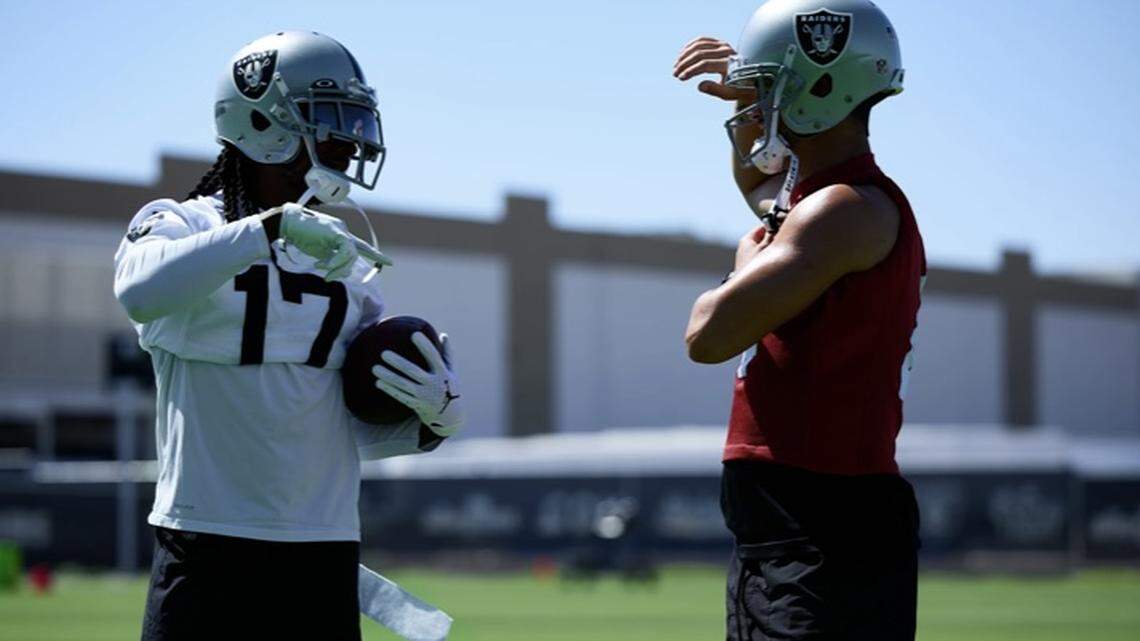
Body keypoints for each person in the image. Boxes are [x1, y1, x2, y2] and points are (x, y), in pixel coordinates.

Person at [113, 31, 465, 641]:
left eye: (353, 124)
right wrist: (266, 231)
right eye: (329, 123)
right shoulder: (184, 223)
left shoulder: (346, 263)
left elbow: (325, 423)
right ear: (262, 122)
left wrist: (431, 422)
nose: (349, 144)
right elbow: (138, 291)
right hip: (207, 541)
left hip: (321, 545)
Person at [674, 1, 923, 639]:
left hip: (818, 524)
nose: (755, 101)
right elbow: (766, 194)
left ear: (817, 88)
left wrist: (744, 257)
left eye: (766, 85)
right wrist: (747, 108)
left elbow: (708, 335)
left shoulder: (841, 210)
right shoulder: (829, 202)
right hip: (803, 523)